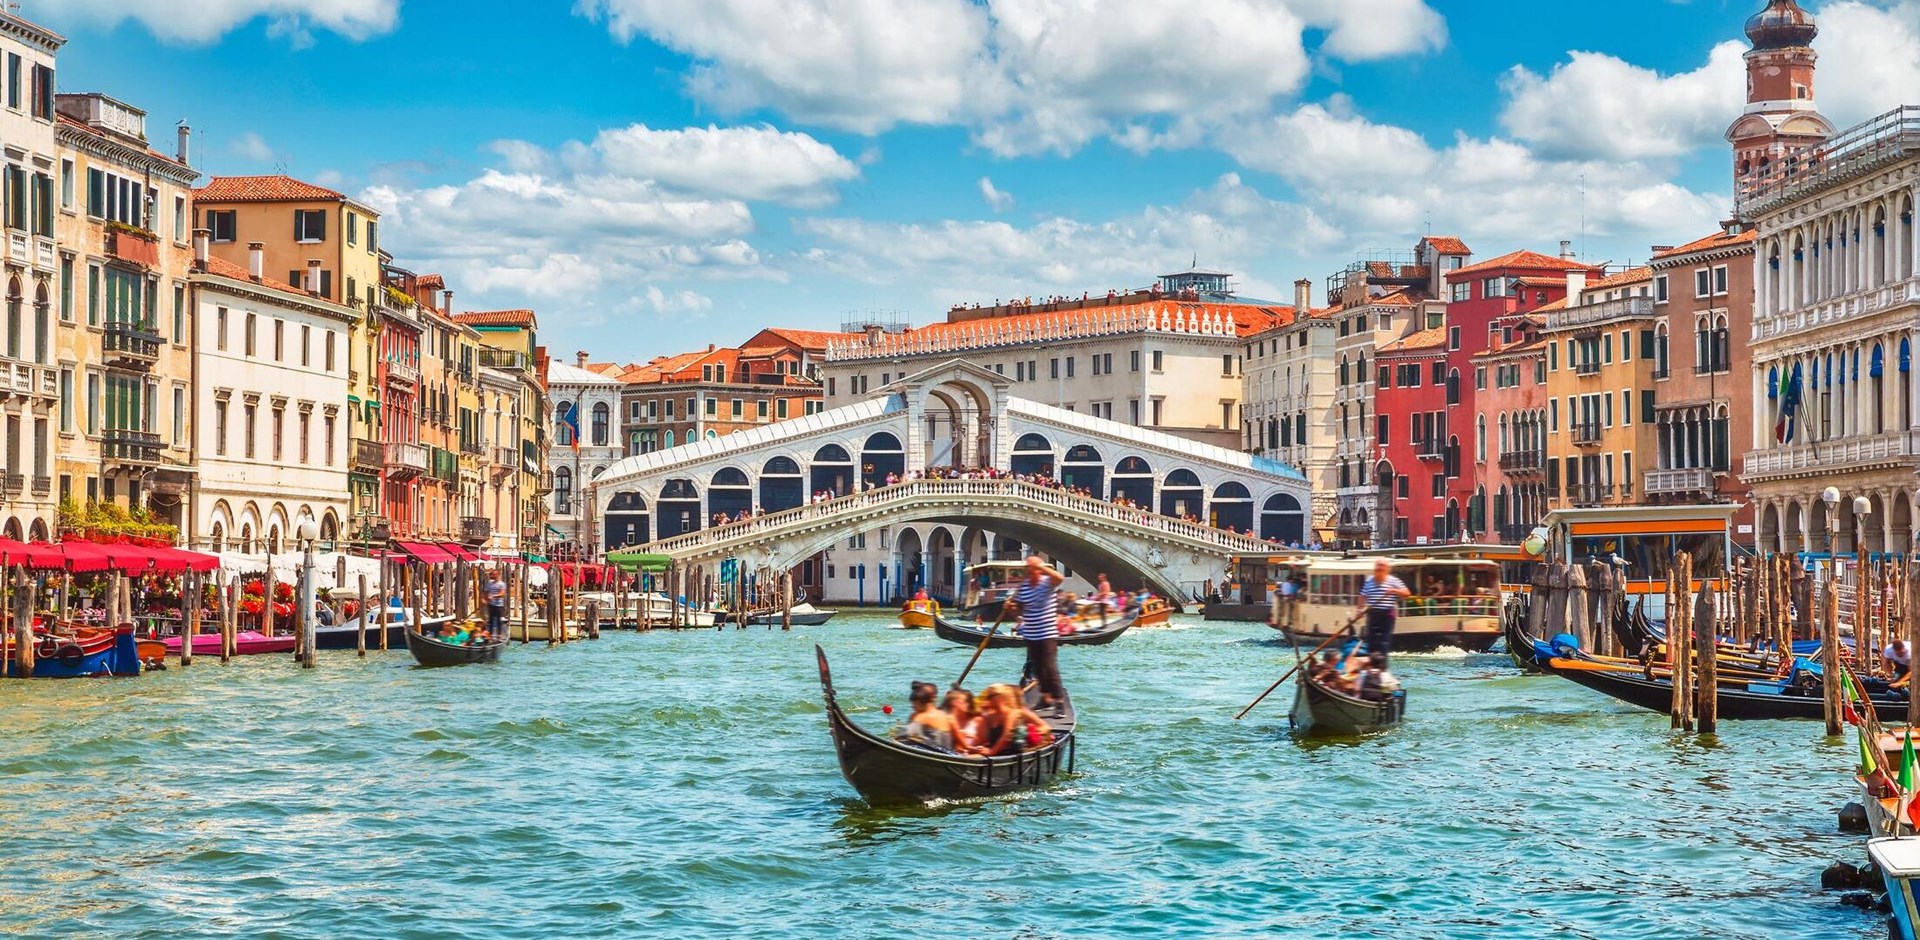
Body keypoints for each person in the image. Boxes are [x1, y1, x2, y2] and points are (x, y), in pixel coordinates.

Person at [1006, 555, 1066, 708]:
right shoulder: (1023, 587)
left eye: (1031, 568)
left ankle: (1058, 701)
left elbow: (1060, 578)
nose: (1029, 571)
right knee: (1038, 668)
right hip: (1031, 633)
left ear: (1039, 570)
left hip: (1047, 633)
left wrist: (1040, 566)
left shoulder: (1048, 582)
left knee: (1049, 667)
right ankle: (1045, 698)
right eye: (1028, 568)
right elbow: (1018, 611)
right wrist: (1010, 608)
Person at [1354, 558, 1410, 662]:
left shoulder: (1394, 581)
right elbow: (1362, 596)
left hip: (1387, 614)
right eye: (1377, 567)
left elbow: (1406, 593)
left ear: (1387, 569)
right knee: (1371, 641)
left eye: (1381, 567)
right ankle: (1371, 664)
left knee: (1384, 642)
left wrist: (1394, 590)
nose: (1379, 569)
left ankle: (1382, 666)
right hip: (1373, 613)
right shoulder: (1369, 581)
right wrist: (1359, 610)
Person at [978, 684, 1053, 756]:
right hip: (996, 749)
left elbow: (1006, 736)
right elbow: (982, 738)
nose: (987, 700)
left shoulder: (1017, 712)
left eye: (989, 697)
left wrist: (1035, 734)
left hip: (1011, 752)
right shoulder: (989, 716)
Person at [900, 682, 958, 751]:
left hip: (938, 753)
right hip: (949, 751)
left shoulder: (922, 716)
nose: (912, 707)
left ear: (917, 701)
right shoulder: (944, 715)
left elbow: (903, 736)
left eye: (913, 704)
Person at [944, 688, 985, 754]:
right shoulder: (950, 719)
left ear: (970, 704)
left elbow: (983, 740)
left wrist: (971, 736)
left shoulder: (978, 720)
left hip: (972, 751)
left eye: (966, 702)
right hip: (955, 751)